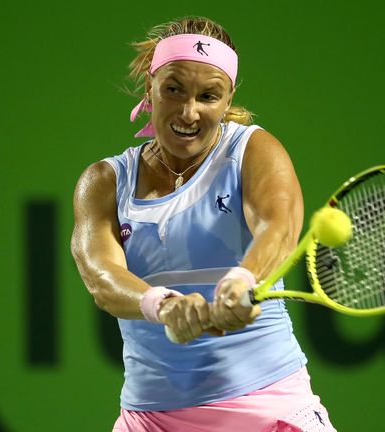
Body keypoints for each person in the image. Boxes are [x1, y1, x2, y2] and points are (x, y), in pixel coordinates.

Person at [71, 16, 336, 432]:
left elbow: (279, 227)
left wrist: (244, 278)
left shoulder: (252, 149)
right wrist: (163, 305)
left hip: (266, 406)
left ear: (227, 100)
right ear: (150, 89)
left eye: (208, 96)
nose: (188, 112)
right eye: (173, 89)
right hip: (151, 417)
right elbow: (101, 276)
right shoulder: (104, 181)